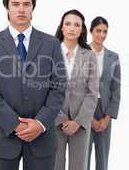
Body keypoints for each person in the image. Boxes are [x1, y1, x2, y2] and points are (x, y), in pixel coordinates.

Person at [0, 0, 66, 170]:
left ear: (33, 8)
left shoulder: (51, 43)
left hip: (42, 139)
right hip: (2, 138)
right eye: (15, 4)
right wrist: (13, 124)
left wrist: (40, 123)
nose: (21, 9)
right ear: (7, 7)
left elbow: (59, 87)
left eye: (26, 4)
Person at [54, 9, 99, 170]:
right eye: (68, 24)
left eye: (77, 24)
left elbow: (92, 92)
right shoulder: (50, 52)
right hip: (55, 121)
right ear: (62, 28)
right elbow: (46, 89)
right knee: (55, 165)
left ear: (82, 30)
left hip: (81, 123)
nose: (72, 28)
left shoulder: (90, 56)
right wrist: (61, 118)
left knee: (79, 166)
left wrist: (78, 121)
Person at [88, 17, 121, 170]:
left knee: (103, 158)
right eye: (98, 31)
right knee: (83, 156)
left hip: (105, 109)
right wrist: (88, 118)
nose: (101, 35)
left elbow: (116, 89)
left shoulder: (113, 57)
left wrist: (108, 117)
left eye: (105, 32)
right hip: (85, 109)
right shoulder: (81, 53)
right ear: (91, 31)